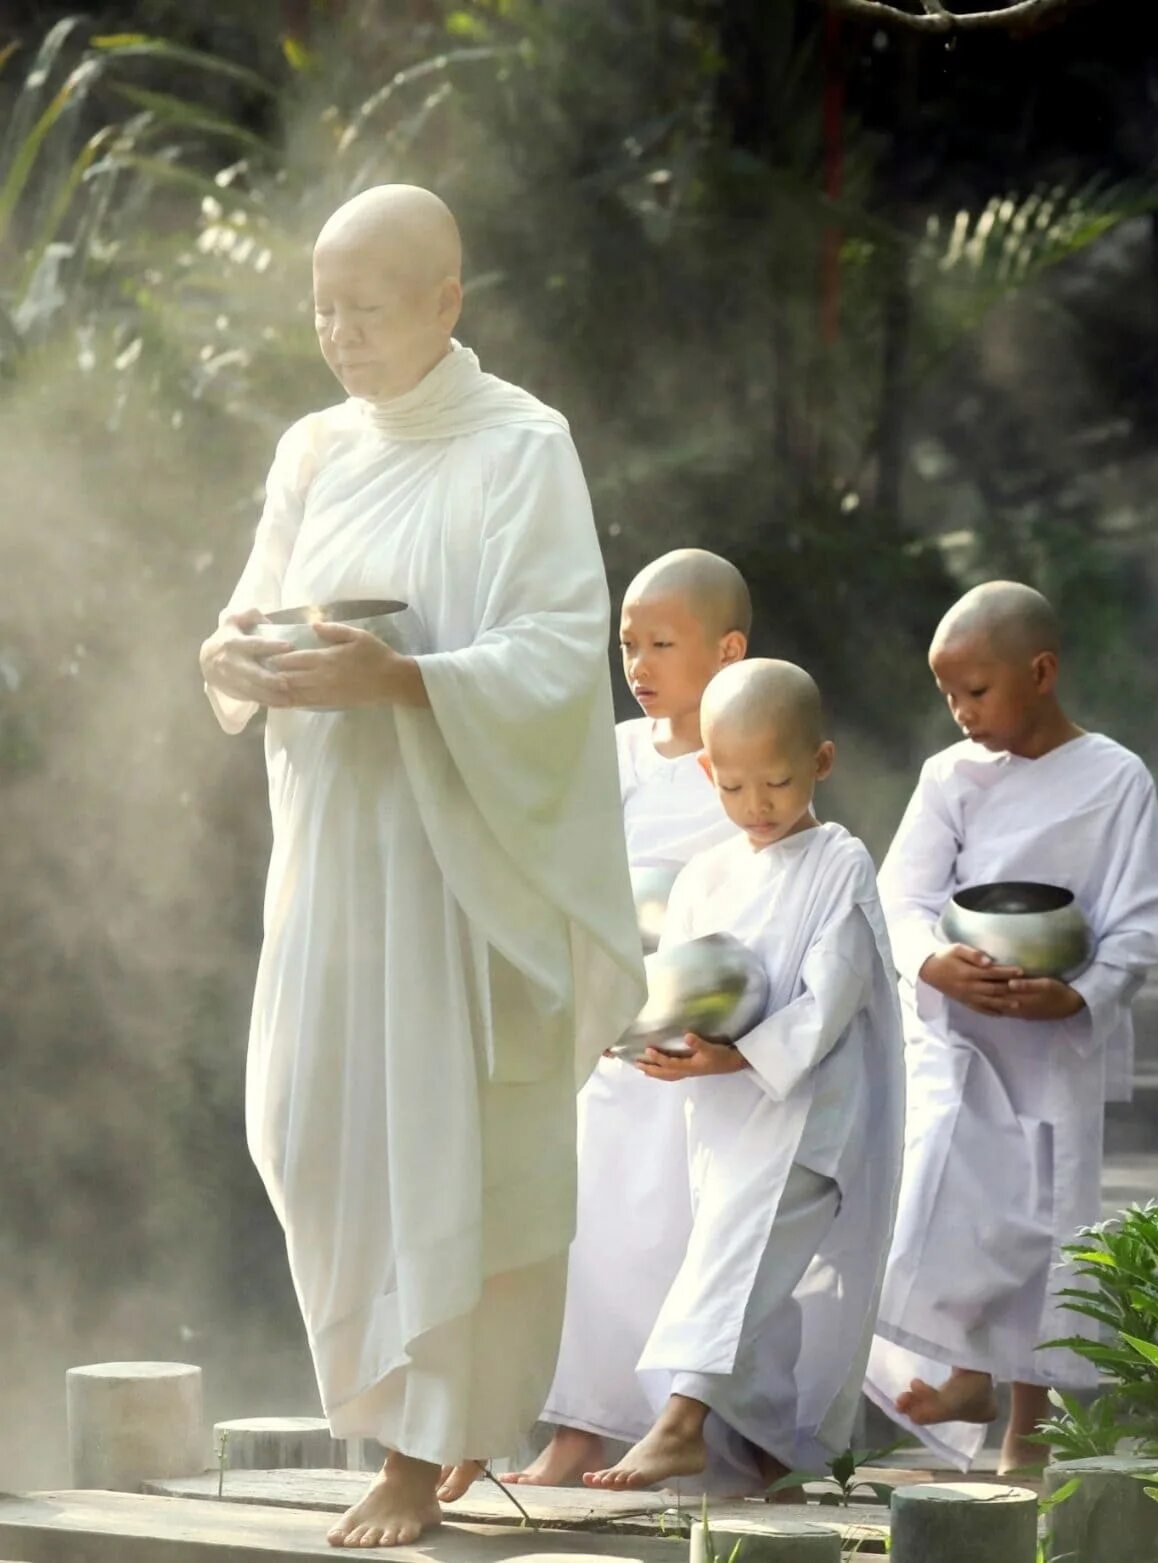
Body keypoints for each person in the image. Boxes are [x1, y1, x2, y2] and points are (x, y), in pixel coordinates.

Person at [196, 183, 642, 1548]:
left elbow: (565, 650)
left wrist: (405, 678)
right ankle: (402, 1414)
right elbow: (248, 614)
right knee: (315, 1127)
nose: (339, 334)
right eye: (323, 308)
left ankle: (416, 1447)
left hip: (460, 865)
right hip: (334, 854)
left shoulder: (522, 445)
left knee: (438, 1133)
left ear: (447, 301)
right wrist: (223, 656)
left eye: (368, 308)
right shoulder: (315, 447)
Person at [869, 583, 1158, 1475]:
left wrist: (1081, 994)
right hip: (963, 1037)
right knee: (957, 1202)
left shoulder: (1116, 778)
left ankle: (1027, 1422)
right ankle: (967, 1369)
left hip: (1054, 1041)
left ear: (1040, 673)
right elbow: (901, 896)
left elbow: (1145, 913)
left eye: (976, 691)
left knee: (1046, 1226)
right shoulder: (950, 778)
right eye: (948, 696)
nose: (960, 713)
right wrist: (932, 959)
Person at [582, 660, 904, 1495]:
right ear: (705, 774)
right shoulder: (705, 874)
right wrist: (656, 1044)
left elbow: (832, 998)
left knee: (735, 1258)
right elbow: (672, 984)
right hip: (726, 1115)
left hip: (807, 1115)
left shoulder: (840, 861)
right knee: (754, 1284)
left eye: (777, 780)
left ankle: (679, 1424)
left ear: (821, 763)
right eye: (731, 785)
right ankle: (772, 1457)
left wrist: (743, 1053)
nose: (755, 803)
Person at [523, 548, 750, 1489]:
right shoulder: (613, 749)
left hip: (700, 1023)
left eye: (663, 643)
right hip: (610, 1013)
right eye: (628, 646)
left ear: (729, 651)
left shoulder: (748, 746)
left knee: (680, 1222)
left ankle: (676, 1421)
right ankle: (580, 1420)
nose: (641, 664)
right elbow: (566, 859)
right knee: (592, 1218)